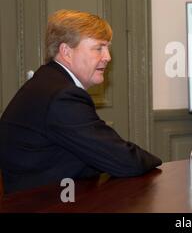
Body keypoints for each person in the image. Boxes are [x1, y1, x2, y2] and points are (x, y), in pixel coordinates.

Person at [0, 10, 162, 194]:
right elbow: (124, 160)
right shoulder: (62, 96)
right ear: (66, 52)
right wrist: (156, 160)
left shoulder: (48, 82)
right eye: (98, 48)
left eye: (107, 47)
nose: (107, 57)